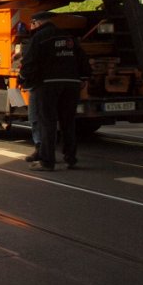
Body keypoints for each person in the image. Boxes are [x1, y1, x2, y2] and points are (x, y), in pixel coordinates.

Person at [19, 11, 89, 171]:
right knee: (68, 122)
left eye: (32, 24)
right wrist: (84, 77)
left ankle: (47, 161)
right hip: (71, 84)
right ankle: (71, 158)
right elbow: (82, 58)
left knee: (48, 122)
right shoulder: (67, 36)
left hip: (48, 85)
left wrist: (22, 78)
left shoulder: (39, 38)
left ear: (37, 23)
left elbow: (29, 62)